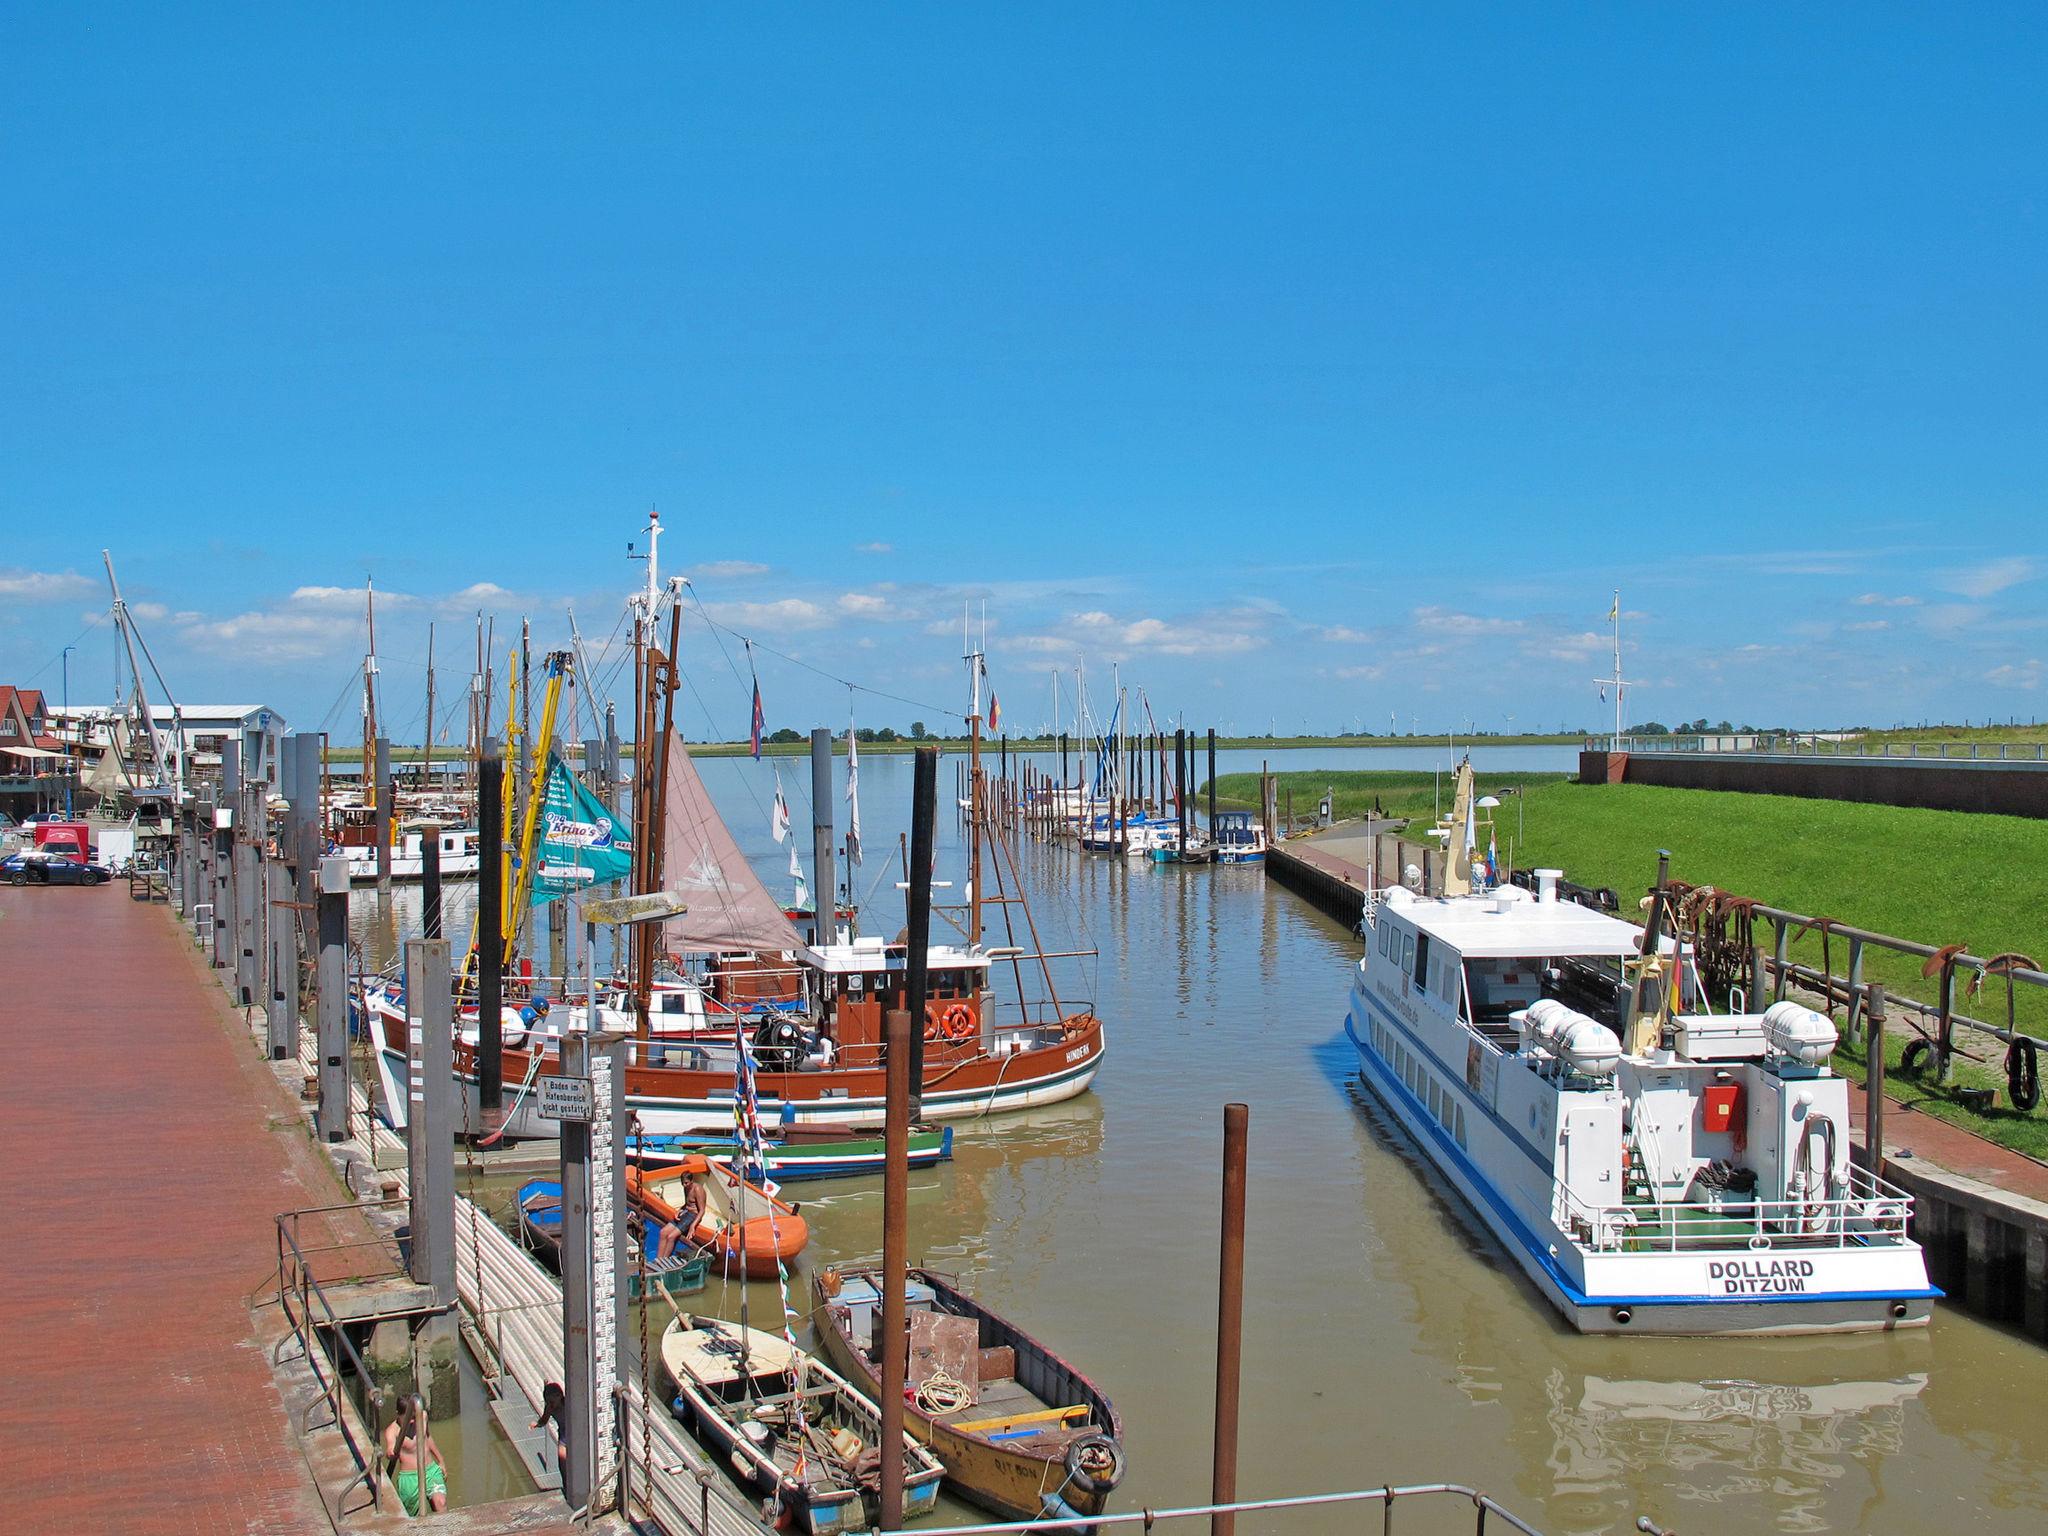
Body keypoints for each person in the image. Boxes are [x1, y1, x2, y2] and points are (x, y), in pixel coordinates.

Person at [383, 1394, 447, 1515]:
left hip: (430, 1470)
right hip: (409, 1478)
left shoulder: (422, 1416)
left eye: (414, 1417)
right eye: (408, 1418)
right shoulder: (393, 1431)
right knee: (414, 1517)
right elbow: (390, 1449)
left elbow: (427, 1437)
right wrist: (390, 1453)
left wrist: (441, 1460)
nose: (412, 1421)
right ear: (398, 1413)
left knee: (441, 1503)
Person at [655, 1176, 708, 1262]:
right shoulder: (686, 1188)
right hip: (685, 1212)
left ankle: (664, 1261)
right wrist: (679, 1210)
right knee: (663, 1232)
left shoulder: (697, 1189)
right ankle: (658, 1260)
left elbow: (702, 1210)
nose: (684, 1185)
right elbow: (687, 1203)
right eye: (682, 1183)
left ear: (691, 1181)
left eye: (686, 1183)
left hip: (693, 1215)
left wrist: (693, 1226)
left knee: (671, 1236)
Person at [531, 1381, 568, 1477]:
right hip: (564, 1434)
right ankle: (566, 1484)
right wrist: (537, 1424)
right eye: (547, 1402)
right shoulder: (549, 1408)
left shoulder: (568, 1404)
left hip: (575, 1431)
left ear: (560, 1396)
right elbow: (544, 1420)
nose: (551, 1404)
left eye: (552, 1402)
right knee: (562, 1459)